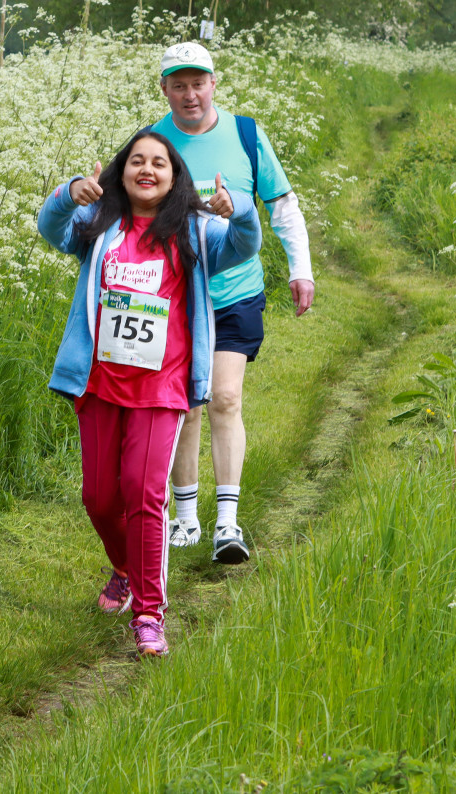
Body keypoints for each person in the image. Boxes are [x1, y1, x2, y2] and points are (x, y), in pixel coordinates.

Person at [37, 130, 261, 655]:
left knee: (143, 494)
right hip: (99, 384)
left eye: (159, 163)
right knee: (98, 498)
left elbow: (246, 242)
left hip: (163, 386)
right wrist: (69, 192)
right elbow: (50, 228)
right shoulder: (100, 227)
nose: (147, 170)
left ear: (175, 175)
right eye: (136, 161)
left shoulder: (198, 231)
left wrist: (241, 207)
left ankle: (149, 612)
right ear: (120, 171)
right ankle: (124, 567)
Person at [148, 42, 315, 564]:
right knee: (186, 407)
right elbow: (129, 207)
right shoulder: (153, 141)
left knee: (224, 397)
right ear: (165, 90)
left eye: (198, 83)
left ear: (213, 84)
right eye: (179, 84)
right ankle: (186, 517)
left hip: (237, 292)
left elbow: (282, 205)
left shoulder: (246, 134)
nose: (190, 94)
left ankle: (227, 522)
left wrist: (300, 268)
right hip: (177, 298)